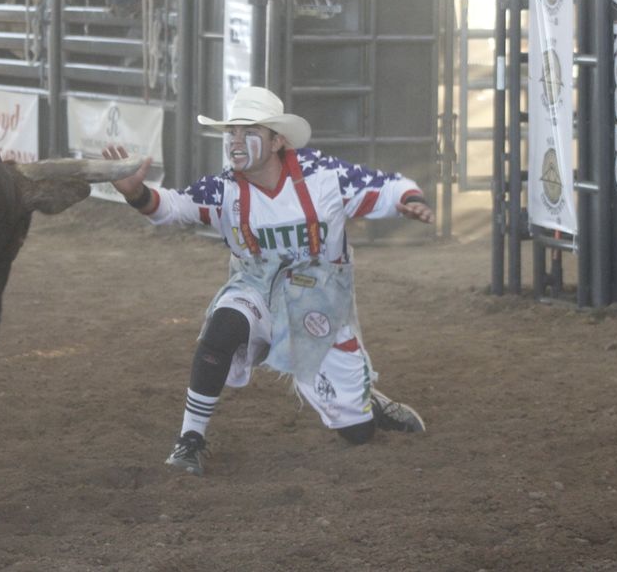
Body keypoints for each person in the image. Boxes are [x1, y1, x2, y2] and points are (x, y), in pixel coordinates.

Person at [103, 86, 431, 476]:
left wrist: (410, 199)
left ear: (277, 141)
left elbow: (390, 185)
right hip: (256, 288)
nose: (236, 142)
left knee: (357, 432)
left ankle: (366, 402)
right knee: (223, 326)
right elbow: (170, 207)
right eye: (232, 133)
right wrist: (137, 193)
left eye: (249, 132)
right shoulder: (224, 189)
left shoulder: (325, 177)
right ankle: (190, 439)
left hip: (318, 302)